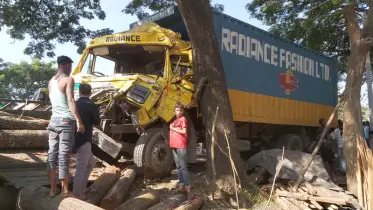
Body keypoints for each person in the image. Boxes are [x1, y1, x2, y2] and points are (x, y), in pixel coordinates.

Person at [47, 56, 85, 198]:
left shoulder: (50, 82)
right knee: (63, 156)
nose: (71, 69)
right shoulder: (68, 80)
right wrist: (78, 120)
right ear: (66, 65)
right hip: (66, 122)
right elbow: (70, 100)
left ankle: (52, 190)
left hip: (53, 121)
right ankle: (64, 191)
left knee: (52, 155)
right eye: (70, 66)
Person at [73, 83, 100, 199]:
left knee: (91, 163)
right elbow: (97, 121)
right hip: (84, 139)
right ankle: (77, 193)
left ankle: (82, 188)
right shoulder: (91, 105)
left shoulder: (73, 103)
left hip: (73, 137)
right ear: (90, 92)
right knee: (82, 166)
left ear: (79, 92)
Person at [169, 102, 193, 200]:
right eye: (177, 110)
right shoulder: (175, 120)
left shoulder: (183, 119)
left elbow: (184, 131)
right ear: (174, 111)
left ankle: (188, 189)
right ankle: (182, 185)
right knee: (178, 167)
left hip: (180, 146)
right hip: (174, 146)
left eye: (180, 110)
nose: (178, 112)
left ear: (182, 111)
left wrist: (173, 128)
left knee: (183, 168)